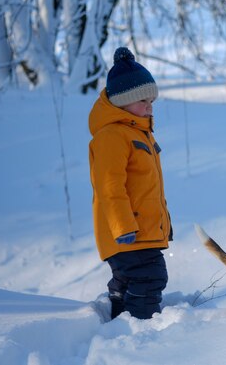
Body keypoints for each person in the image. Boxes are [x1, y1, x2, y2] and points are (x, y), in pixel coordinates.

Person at [88, 47, 173, 320]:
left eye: (151, 101)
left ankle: (119, 319)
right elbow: (109, 184)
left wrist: (164, 225)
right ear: (122, 102)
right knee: (150, 277)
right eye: (142, 100)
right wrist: (121, 225)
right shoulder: (112, 135)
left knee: (132, 280)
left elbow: (151, 188)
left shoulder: (139, 133)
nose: (149, 106)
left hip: (143, 231)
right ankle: (140, 329)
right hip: (128, 232)